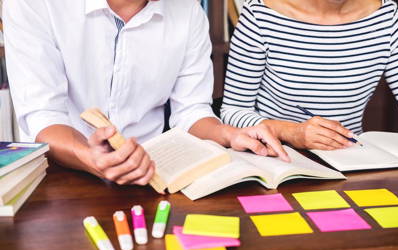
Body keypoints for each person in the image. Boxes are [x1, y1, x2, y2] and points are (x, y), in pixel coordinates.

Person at [3, 0, 290, 188]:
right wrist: (89, 155)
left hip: (152, 175)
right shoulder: (33, 4)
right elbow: (44, 115)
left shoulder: (188, 11)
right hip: (59, 174)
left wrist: (229, 135)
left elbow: (191, 112)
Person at [221, 0, 398, 150]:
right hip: (277, 158)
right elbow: (233, 110)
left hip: (350, 158)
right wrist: (292, 132)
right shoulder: (259, 14)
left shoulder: (387, 16)